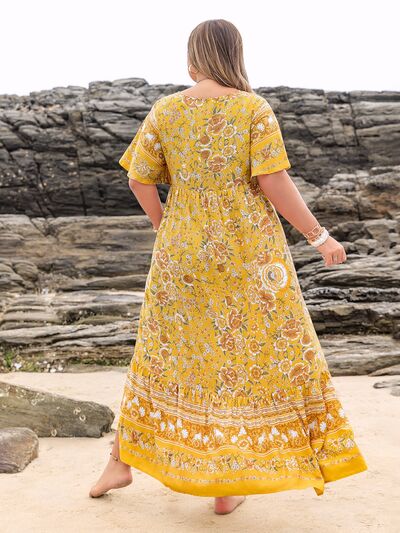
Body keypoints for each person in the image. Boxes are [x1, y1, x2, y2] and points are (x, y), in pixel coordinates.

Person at [89, 19, 367, 515]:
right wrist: (319, 236)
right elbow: (274, 181)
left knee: (162, 353)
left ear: (193, 57)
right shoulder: (252, 109)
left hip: (181, 253)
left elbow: (138, 179)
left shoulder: (166, 109)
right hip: (247, 254)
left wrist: (164, 225)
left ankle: (119, 461)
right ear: (235, 55)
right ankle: (225, 485)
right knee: (254, 356)